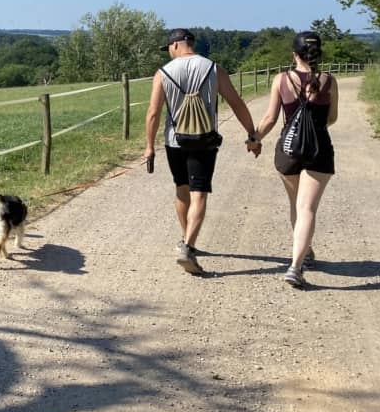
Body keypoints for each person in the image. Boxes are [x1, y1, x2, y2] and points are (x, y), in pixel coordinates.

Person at [144, 28, 262, 275]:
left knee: (181, 190)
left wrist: (148, 147)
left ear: (176, 45)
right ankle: (189, 244)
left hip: (174, 141)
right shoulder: (213, 69)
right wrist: (252, 134)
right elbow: (236, 102)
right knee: (199, 194)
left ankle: (187, 240)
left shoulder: (163, 73)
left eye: (168, 47)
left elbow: (153, 113)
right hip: (204, 140)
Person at [252, 31, 338, 289]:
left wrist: (254, 138)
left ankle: (305, 253)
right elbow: (332, 118)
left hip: (289, 150)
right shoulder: (328, 81)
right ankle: (296, 265)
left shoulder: (281, 79)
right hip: (318, 150)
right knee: (307, 208)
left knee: (296, 205)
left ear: (294, 54)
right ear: (318, 53)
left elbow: (270, 119)